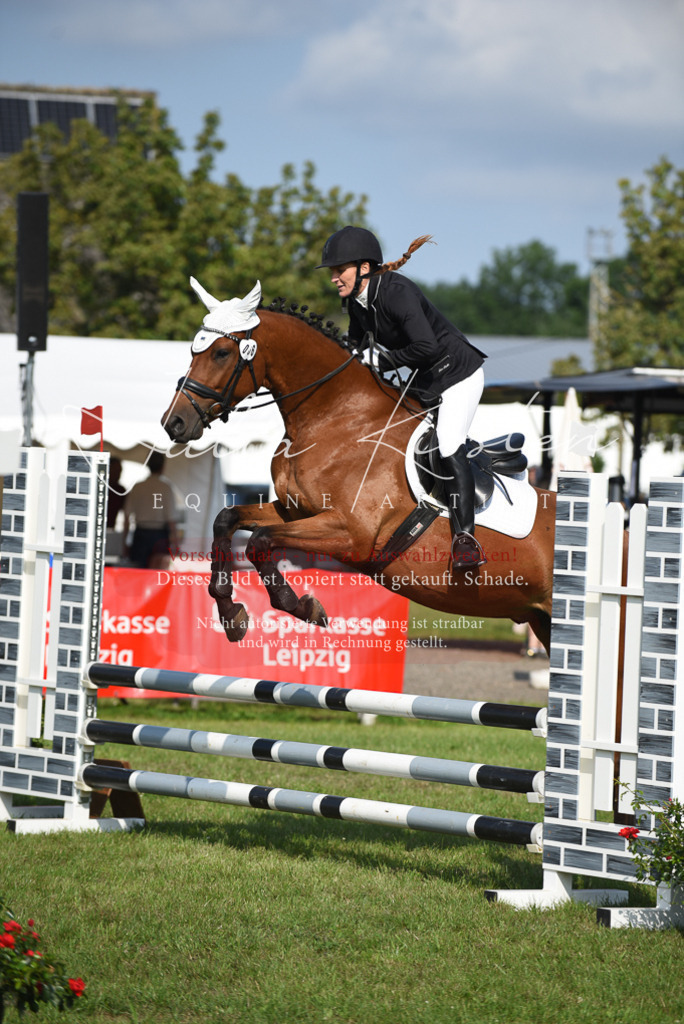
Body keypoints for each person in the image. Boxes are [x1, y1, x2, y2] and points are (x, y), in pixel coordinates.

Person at [317, 226, 487, 567]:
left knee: (449, 443)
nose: (334, 278)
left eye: (340, 270)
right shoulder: (357, 304)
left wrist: (384, 359)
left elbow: (427, 346)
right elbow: (354, 351)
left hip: (458, 375)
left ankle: (466, 539)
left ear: (364, 268)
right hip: (424, 382)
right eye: (333, 272)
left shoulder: (397, 292)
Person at [123, 451, 180, 569]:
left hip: (141, 535)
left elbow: (127, 517)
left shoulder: (138, 486)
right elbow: (171, 520)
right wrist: (176, 545)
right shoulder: (166, 487)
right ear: (163, 466)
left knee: (139, 573)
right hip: (159, 535)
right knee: (157, 574)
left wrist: (124, 543)